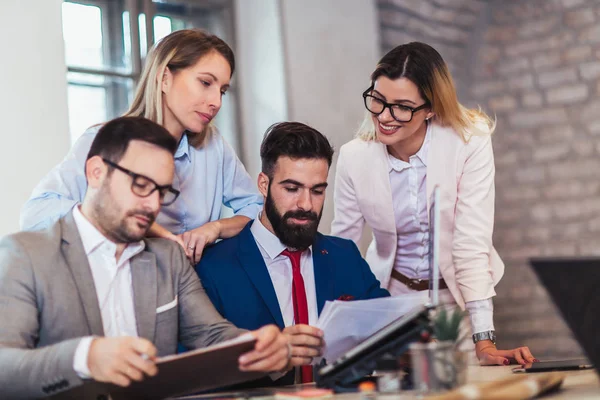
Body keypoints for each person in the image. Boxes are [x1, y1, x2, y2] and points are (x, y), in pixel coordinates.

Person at [0, 117, 290, 399]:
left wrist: (255, 346)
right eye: (140, 185)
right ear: (96, 172)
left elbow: (211, 334)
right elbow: (5, 368)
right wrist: (85, 358)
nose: (152, 205)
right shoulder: (24, 256)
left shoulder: (169, 259)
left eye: (162, 191)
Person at [330, 42, 536, 366]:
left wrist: (484, 341)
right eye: (378, 100)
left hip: (454, 302)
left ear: (431, 108)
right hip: (388, 300)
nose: (384, 116)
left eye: (402, 106)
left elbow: (471, 243)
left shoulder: (469, 142)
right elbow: (343, 249)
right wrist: (343, 328)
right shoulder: (354, 157)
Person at [20, 29, 261, 264]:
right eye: (205, 83)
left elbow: (256, 208)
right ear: (164, 78)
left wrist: (215, 228)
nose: (215, 102)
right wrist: (149, 228)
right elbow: (36, 214)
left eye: (222, 91)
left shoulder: (213, 145)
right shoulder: (102, 140)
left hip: (194, 284)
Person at [196, 122, 390, 386]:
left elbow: (390, 331)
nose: (306, 205)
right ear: (263, 185)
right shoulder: (213, 267)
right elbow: (199, 370)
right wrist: (271, 358)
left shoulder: (345, 255)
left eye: (317, 190)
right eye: (291, 189)